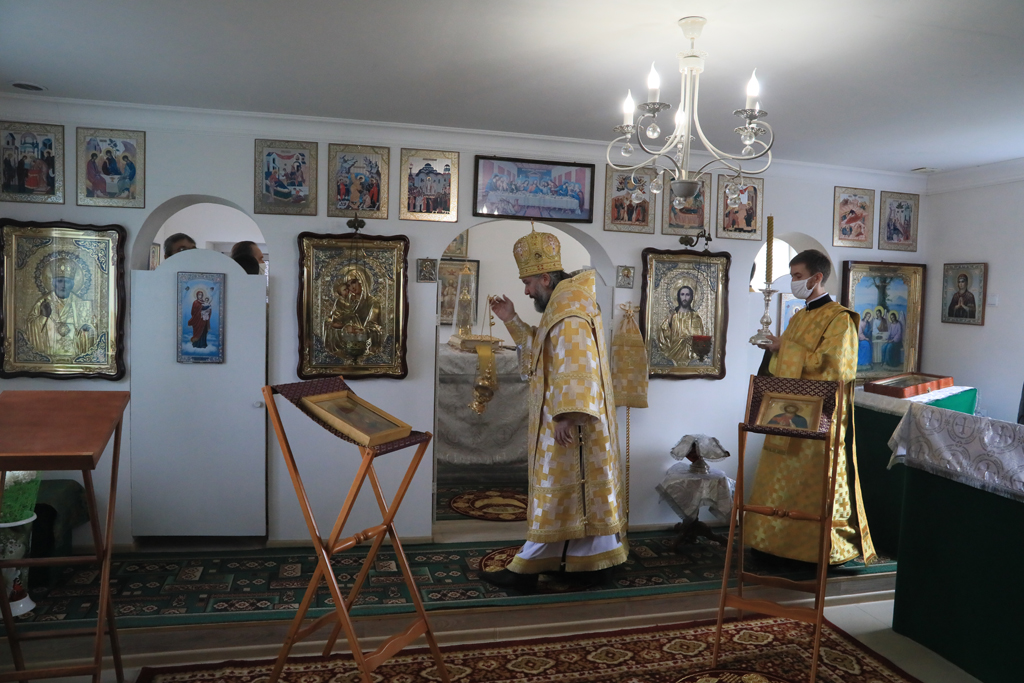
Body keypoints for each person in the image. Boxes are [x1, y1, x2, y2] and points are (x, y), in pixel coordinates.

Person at [483, 228, 627, 592]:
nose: (526, 291)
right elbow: (543, 351)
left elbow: (579, 365)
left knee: (563, 490)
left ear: (545, 278)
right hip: (570, 419)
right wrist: (511, 319)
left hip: (571, 423)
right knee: (576, 495)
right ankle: (585, 565)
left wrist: (567, 415)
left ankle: (528, 569)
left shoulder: (570, 309)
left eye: (528, 283)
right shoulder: (566, 302)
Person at [748, 249, 875, 566]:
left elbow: (835, 369)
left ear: (817, 277)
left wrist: (785, 348)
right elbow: (782, 363)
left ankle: (811, 552)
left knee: (809, 484)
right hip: (785, 415)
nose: (793, 282)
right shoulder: (799, 316)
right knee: (777, 480)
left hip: (819, 420)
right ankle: (770, 542)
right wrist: (775, 349)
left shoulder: (840, 320)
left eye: (797, 276)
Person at [25, 256, 98, 358]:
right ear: (53, 283)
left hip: (74, 355)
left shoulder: (81, 304)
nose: (63, 285)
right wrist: (43, 317)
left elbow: (92, 329)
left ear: (72, 284)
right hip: (49, 354)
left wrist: (87, 330)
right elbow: (30, 327)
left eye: (67, 281)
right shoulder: (44, 302)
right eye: (59, 281)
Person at [323, 265, 383, 359]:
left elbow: (375, 328)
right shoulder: (343, 301)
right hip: (343, 343)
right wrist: (341, 326)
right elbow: (331, 319)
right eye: (348, 285)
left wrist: (360, 330)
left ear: (362, 281)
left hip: (362, 344)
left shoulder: (373, 303)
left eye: (354, 282)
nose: (351, 287)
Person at [656, 284, 705, 365]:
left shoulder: (696, 317)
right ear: (678, 297)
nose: (684, 297)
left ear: (691, 297)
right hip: (674, 352)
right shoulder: (673, 316)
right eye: (682, 294)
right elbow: (663, 335)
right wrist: (669, 322)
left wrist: (690, 340)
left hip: (691, 354)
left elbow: (700, 337)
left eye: (687, 295)